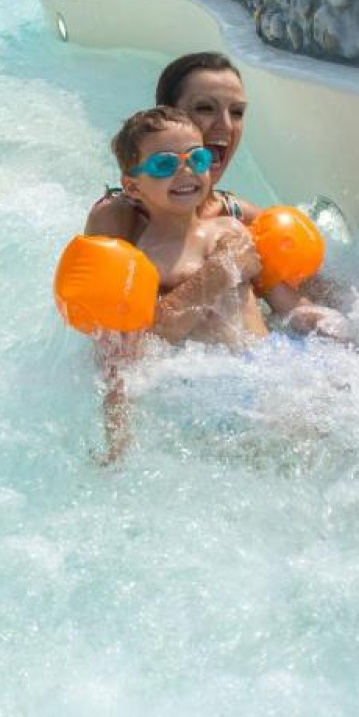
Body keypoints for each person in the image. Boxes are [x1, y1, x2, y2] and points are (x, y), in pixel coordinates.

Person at [85, 52, 341, 337]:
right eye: (205, 108)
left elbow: (306, 303)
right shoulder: (119, 218)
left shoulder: (238, 220)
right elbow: (116, 342)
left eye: (237, 112)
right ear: (169, 116)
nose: (227, 125)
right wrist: (220, 270)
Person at [97, 105, 269, 463]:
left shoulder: (230, 229)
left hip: (270, 366)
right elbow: (137, 348)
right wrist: (117, 444)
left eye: (198, 158)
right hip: (211, 390)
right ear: (132, 186)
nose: (186, 171)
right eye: (164, 165)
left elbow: (280, 297)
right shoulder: (141, 262)